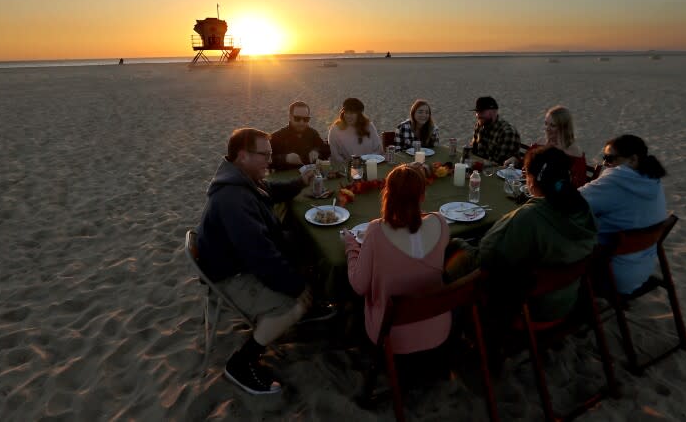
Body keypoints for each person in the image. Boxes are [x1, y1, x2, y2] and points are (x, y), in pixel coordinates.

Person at [195, 128, 333, 395]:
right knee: (293, 305)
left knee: (306, 248)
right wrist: (297, 288)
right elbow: (261, 258)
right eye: (264, 155)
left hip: (240, 262)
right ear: (243, 155)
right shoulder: (232, 198)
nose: (269, 160)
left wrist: (298, 183)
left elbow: (269, 191)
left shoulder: (242, 179)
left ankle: (310, 303)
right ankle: (242, 363)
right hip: (231, 276)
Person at [448, 147, 597, 324]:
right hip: (565, 301)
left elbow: (485, 256)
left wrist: (457, 243)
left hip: (528, 309)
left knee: (454, 249)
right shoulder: (582, 208)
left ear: (532, 180)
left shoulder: (530, 217)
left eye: (526, 173)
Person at [342, 164, 451, 354]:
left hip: (393, 337)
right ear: (422, 196)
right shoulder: (441, 223)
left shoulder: (376, 231)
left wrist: (351, 246)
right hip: (438, 328)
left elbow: (359, 286)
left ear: (387, 197)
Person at [579, 135, 668, 294]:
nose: (606, 164)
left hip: (611, 277)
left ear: (633, 159)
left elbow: (570, 201)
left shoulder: (619, 178)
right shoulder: (653, 180)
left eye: (610, 158)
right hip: (641, 272)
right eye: (604, 158)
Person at [504, 105, 588, 187]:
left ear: (564, 128)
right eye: (546, 124)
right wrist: (516, 160)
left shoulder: (574, 154)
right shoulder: (542, 143)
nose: (547, 128)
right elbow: (525, 164)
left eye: (552, 125)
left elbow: (576, 188)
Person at [269, 101, 330, 170]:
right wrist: (285, 158)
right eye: (297, 118)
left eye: (306, 119)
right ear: (290, 117)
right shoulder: (277, 137)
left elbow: (325, 149)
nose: (302, 122)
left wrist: (316, 152)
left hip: (311, 176)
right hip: (286, 178)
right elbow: (265, 160)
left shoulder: (312, 133)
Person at [327, 97, 383, 165]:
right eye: (346, 112)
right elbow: (335, 156)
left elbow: (378, 149)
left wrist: (368, 162)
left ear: (359, 115)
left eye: (352, 113)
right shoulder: (335, 130)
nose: (348, 116)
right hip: (348, 169)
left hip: (371, 165)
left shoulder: (369, 126)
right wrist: (349, 165)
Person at [470, 96, 521, 165]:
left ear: (494, 112)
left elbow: (499, 164)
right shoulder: (481, 124)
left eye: (481, 111)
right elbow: (474, 150)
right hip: (480, 167)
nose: (478, 115)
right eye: (477, 112)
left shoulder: (507, 132)